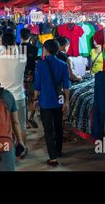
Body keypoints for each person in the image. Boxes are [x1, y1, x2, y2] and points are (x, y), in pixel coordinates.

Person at [33, 39, 71, 167]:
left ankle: (53, 157)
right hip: (59, 101)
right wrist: (67, 101)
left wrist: (34, 99)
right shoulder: (63, 64)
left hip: (45, 101)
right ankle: (58, 151)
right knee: (58, 127)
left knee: (48, 130)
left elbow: (37, 85)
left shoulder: (41, 65)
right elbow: (66, 85)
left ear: (46, 50)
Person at [0, 32, 28, 158]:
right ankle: (22, 148)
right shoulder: (22, 57)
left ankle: (6, 149)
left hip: (3, 97)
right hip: (19, 96)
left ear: (2, 43)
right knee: (21, 125)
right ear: (15, 43)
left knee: (5, 125)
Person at [20, 28, 39, 129]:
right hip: (31, 75)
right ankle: (31, 116)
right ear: (30, 37)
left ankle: (26, 121)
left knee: (23, 99)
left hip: (20, 76)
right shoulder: (34, 49)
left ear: (20, 36)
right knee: (32, 98)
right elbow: (35, 63)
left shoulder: (17, 49)